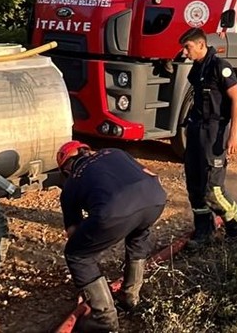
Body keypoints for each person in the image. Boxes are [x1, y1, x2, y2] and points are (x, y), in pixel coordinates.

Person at [58, 141, 167, 332]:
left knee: (77, 255)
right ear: (88, 150)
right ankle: (131, 296)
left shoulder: (72, 182)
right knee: (138, 233)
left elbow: (73, 233)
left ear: (66, 168)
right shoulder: (115, 152)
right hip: (155, 198)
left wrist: (93, 242)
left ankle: (104, 318)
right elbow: (149, 174)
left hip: (114, 211)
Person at [178, 27, 237, 248]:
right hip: (196, 130)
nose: (184, 53)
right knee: (195, 185)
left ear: (201, 45)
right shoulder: (197, 68)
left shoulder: (221, 68)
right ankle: (204, 232)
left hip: (215, 132)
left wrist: (234, 134)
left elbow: (236, 100)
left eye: (187, 47)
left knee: (213, 190)